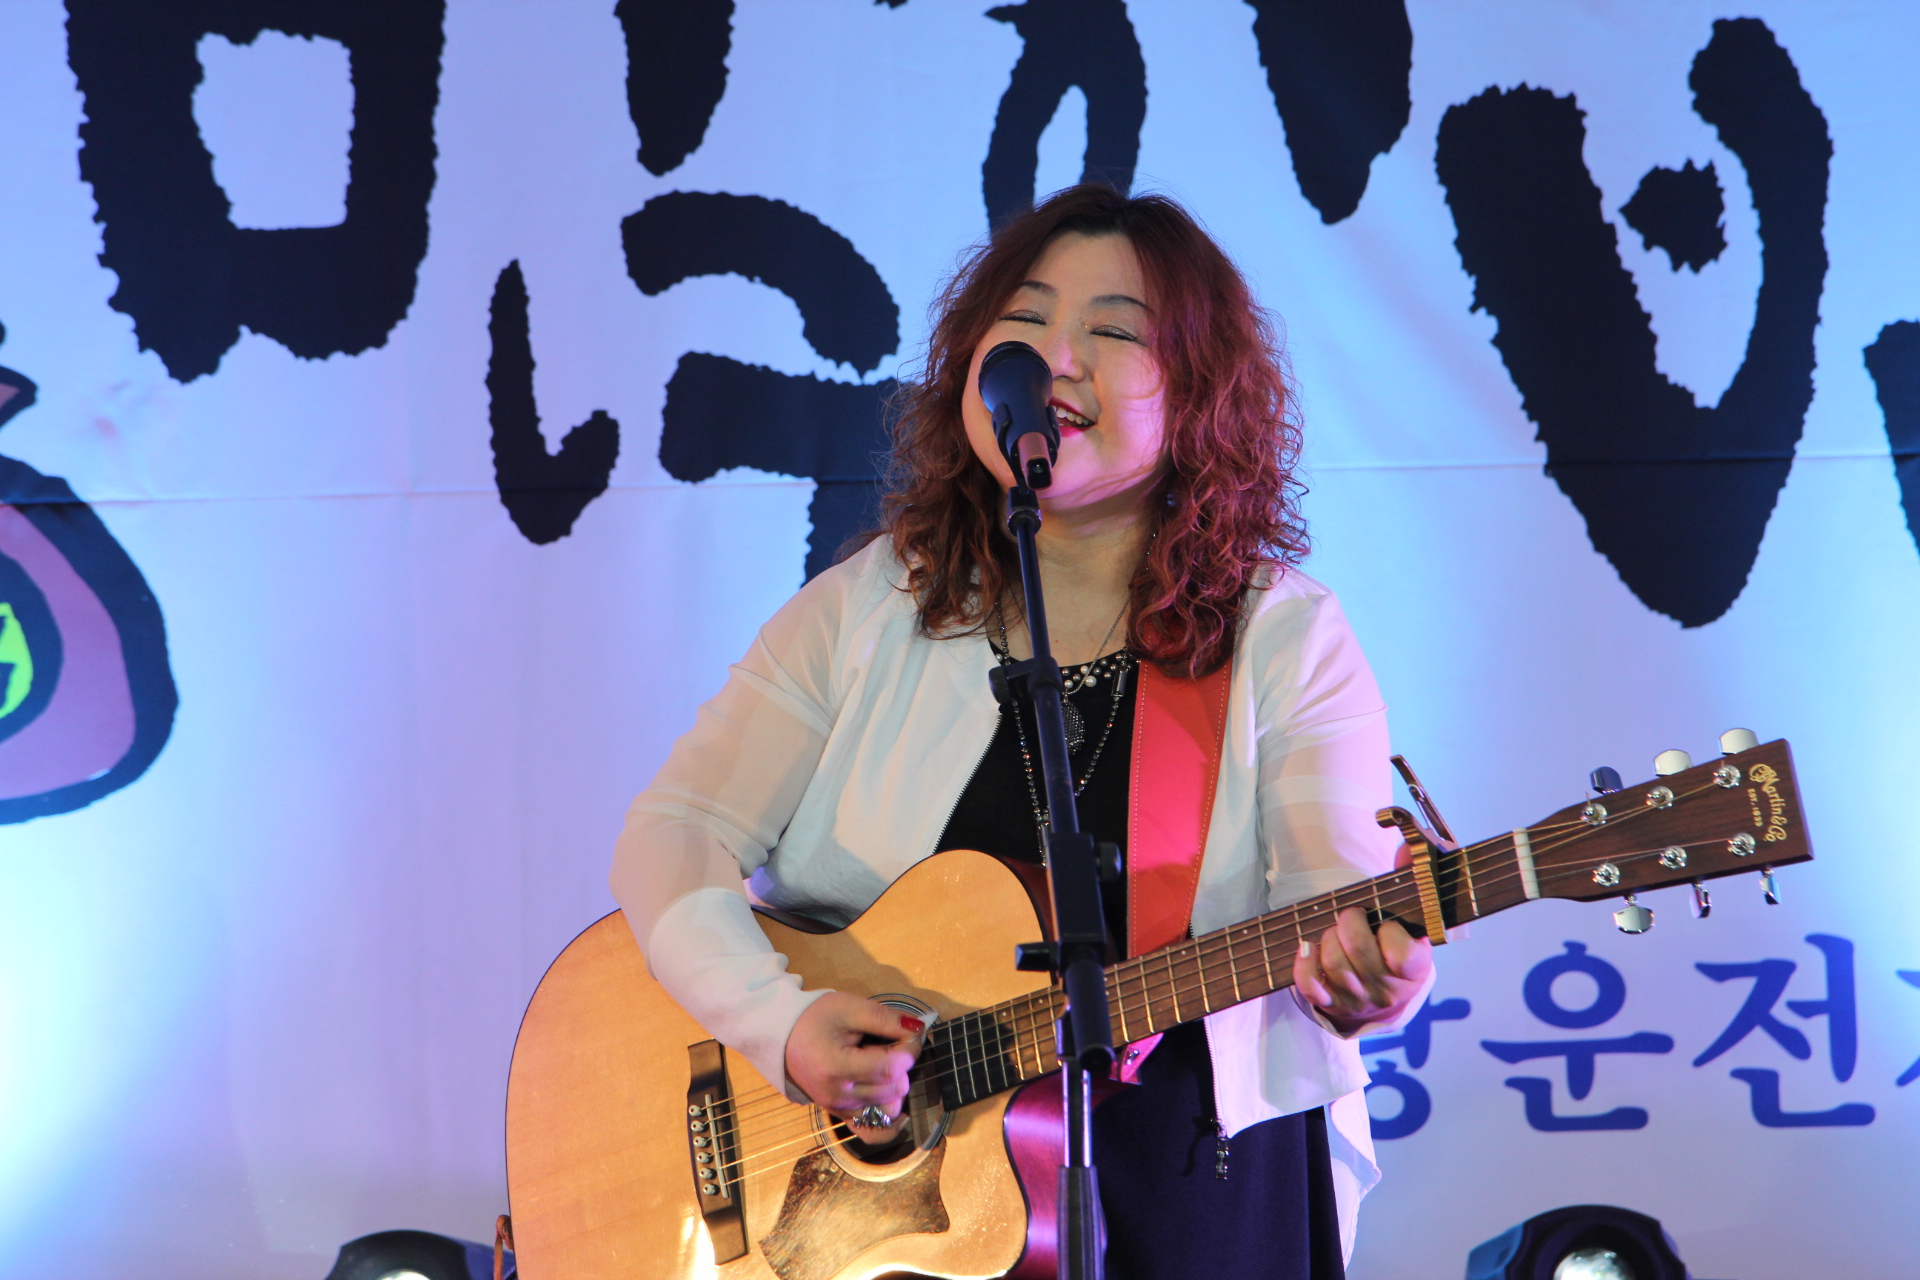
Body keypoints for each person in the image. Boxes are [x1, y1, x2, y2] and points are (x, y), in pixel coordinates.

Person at [611, 183, 1433, 1279]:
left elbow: (1339, 907)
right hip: (883, 1215)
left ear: (1198, 392)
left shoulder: (1282, 635)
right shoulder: (874, 602)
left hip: (1188, 1177)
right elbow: (675, 831)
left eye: (1115, 331)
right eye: (1026, 321)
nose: (1058, 358)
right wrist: (777, 1022)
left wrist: (1369, 978)